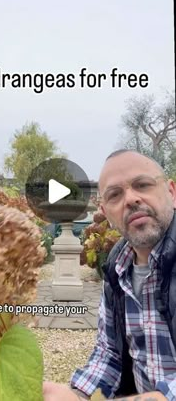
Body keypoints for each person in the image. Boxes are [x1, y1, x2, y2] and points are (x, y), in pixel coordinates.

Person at [43, 149, 176, 400]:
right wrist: (79, 394)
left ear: (172, 192)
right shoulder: (117, 269)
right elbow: (109, 355)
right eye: (115, 195)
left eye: (143, 185)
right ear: (105, 212)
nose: (131, 199)